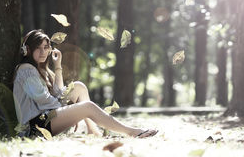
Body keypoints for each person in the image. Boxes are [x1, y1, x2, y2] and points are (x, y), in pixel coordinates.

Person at [13, 29, 158, 138]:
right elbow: (46, 101)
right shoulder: (26, 70)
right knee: (87, 107)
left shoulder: (39, 70)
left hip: (45, 118)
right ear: (27, 50)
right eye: (38, 48)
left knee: (79, 87)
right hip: (34, 127)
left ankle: (93, 131)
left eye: (46, 47)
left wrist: (58, 66)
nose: (43, 51)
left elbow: (58, 93)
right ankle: (132, 132)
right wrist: (74, 112)